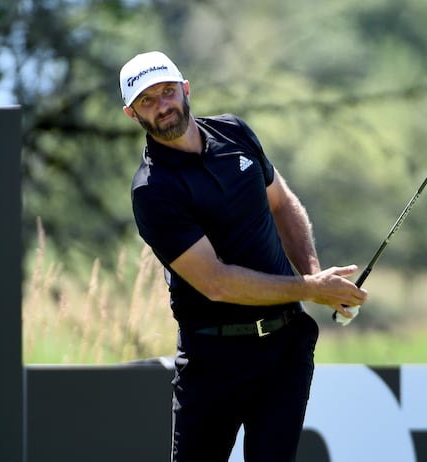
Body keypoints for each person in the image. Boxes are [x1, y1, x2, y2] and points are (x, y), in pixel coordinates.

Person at [119, 51, 368, 462]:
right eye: (147, 100)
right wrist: (311, 289)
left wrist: (316, 276)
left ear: (185, 89)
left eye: (167, 92)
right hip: (214, 363)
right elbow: (216, 283)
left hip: (285, 347)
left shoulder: (234, 131)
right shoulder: (152, 190)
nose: (162, 106)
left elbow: (282, 204)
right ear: (132, 113)